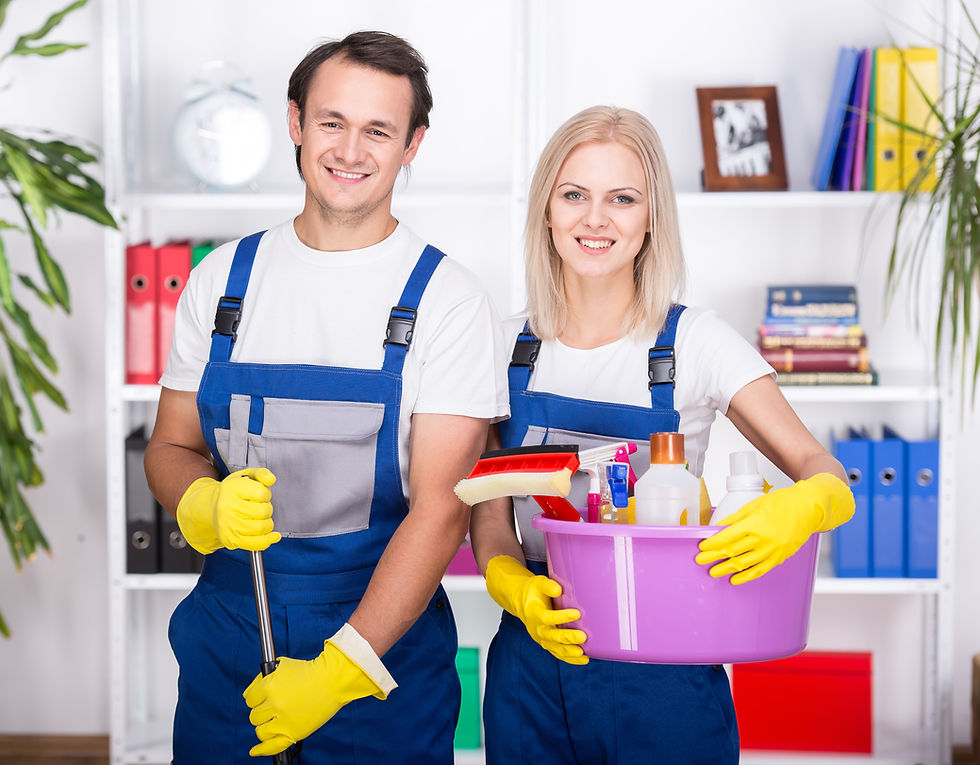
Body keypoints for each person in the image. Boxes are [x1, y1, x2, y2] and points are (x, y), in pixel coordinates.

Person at [144, 31, 508, 764]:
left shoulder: (447, 300)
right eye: (332, 122)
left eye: (378, 130)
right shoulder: (221, 281)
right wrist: (201, 503)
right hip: (227, 634)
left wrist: (342, 668)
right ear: (295, 123)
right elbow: (171, 445)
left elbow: (442, 509)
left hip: (379, 654)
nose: (350, 149)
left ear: (412, 146)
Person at [469, 105, 855, 764]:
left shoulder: (696, 341)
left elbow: (823, 469)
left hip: (665, 663)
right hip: (533, 656)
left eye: (622, 198)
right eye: (574, 195)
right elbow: (489, 509)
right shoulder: (504, 347)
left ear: (651, 217)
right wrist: (509, 581)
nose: (596, 218)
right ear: (547, 211)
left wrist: (806, 504)